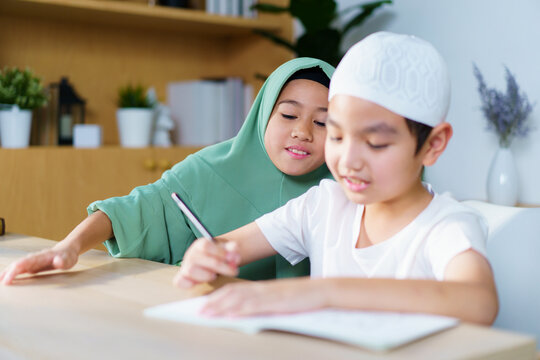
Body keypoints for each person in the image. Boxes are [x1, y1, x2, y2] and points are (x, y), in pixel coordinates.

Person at [173, 32, 499, 325]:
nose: (348, 161)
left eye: (375, 143)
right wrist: (207, 254)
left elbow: (480, 302)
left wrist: (322, 292)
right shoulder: (325, 205)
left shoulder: (446, 226)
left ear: (433, 144)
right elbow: (229, 246)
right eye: (336, 136)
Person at [0, 58, 335, 285]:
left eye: (322, 122)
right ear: (262, 114)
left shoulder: (341, 192)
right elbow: (133, 211)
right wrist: (69, 247)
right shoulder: (209, 169)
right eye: (289, 116)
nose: (302, 132)